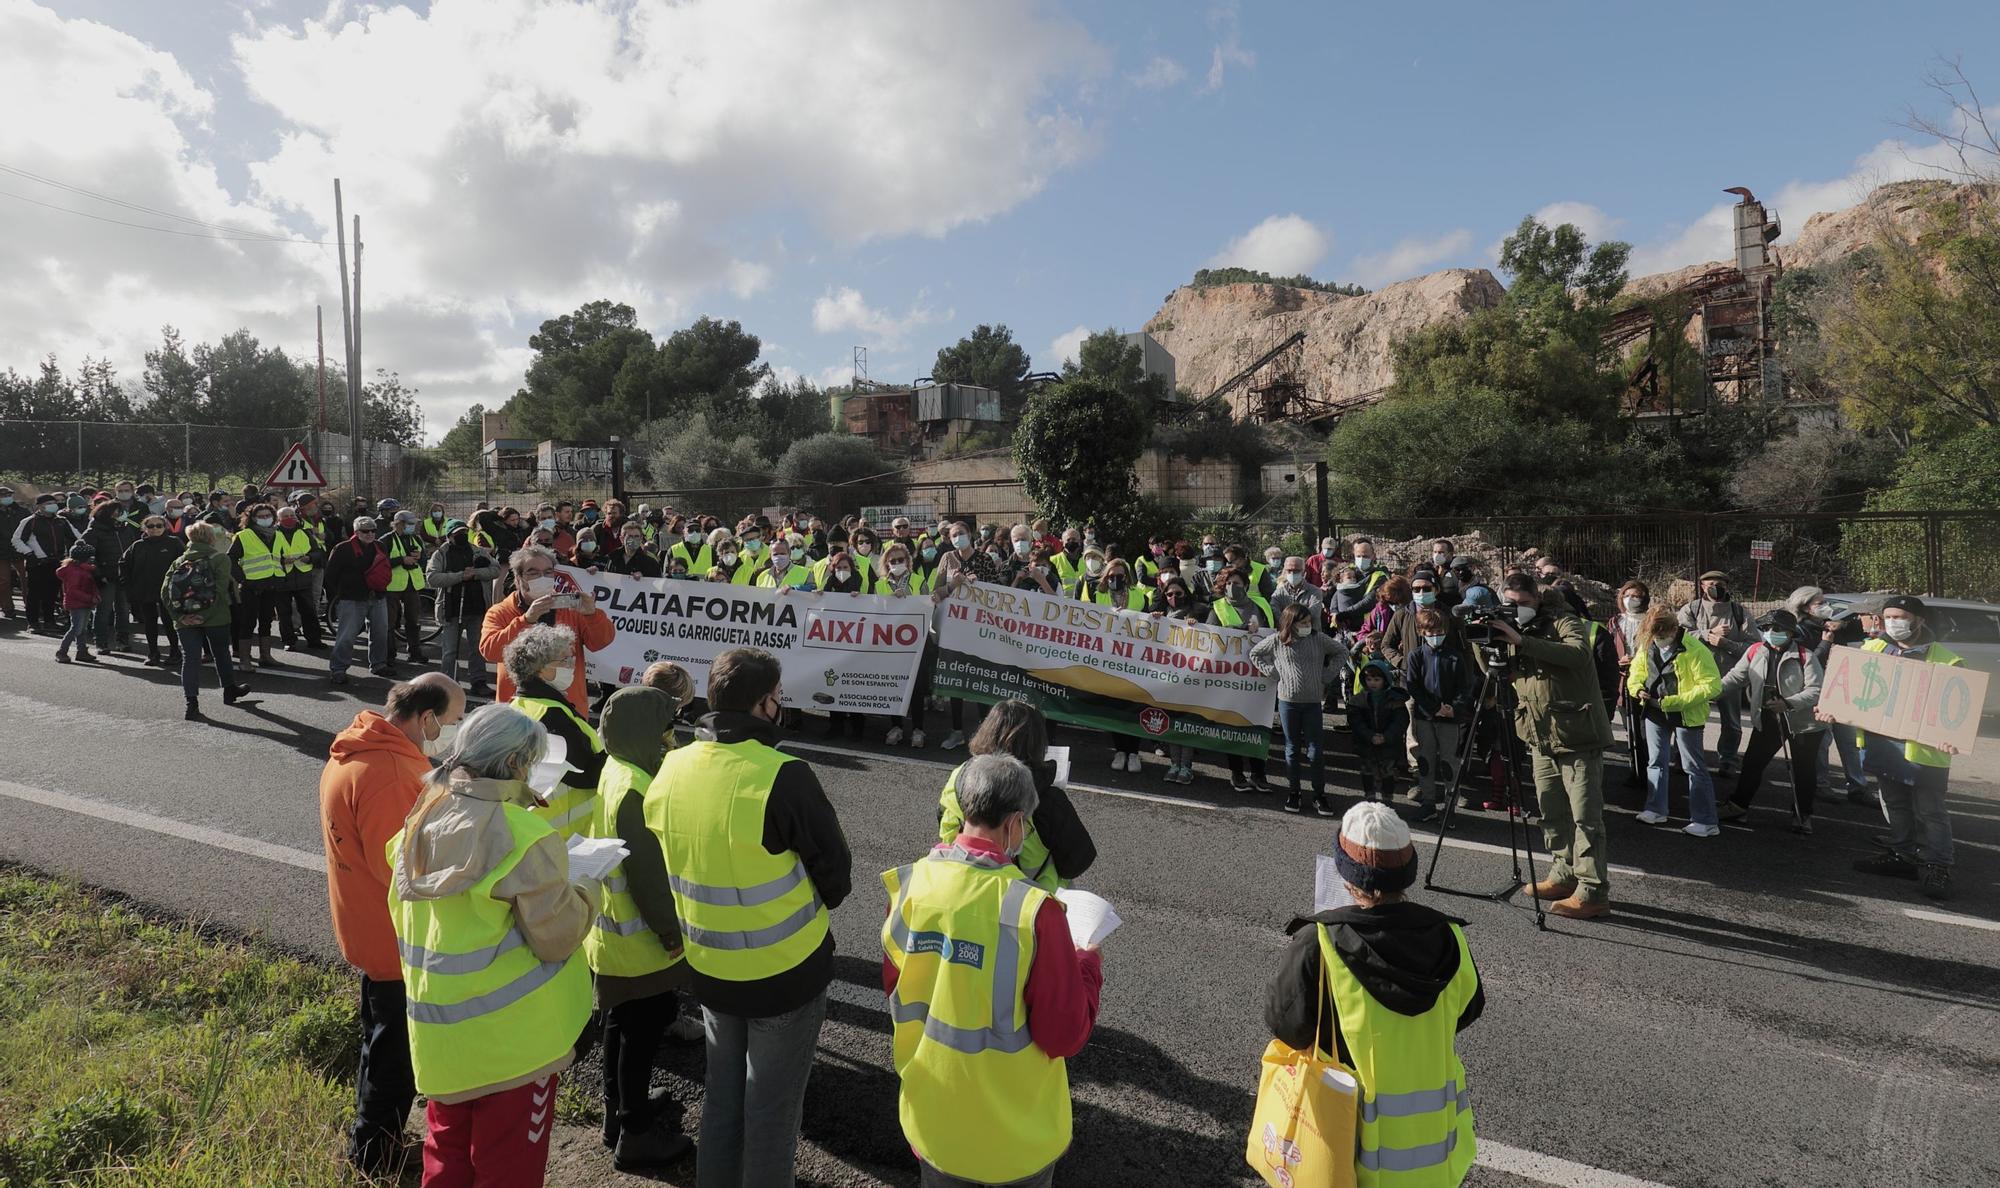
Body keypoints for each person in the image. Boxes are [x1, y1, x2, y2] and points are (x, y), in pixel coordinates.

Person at [645, 647, 852, 1188]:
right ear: (766, 705)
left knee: (723, 1098)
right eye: (778, 698)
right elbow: (836, 873)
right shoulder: (783, 774)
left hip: (710, 967)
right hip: (786, 972)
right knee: (771, 1111)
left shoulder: (671, 767)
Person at [387, 703, 597, 1188]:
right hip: (515, 1045)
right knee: (509, 1171)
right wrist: (588, 890)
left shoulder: (415, 827)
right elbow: (558, 936)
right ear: (517, 765)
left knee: (445, 1159)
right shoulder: (524, 836)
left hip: (439, 1035)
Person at [883, 753, 1103, 1188]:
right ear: (1015, 823)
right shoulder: (1035, 911)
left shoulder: (910, 885)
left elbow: (897, 985)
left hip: (935, 1119)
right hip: (1015, 1137)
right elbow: (1064, 1034)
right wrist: (1088, 962)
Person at [1264, 802, 1482, 1187]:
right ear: (1408, 874)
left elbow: (1287, 1026)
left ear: (1346, 876)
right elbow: (1466, 1009)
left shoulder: (1319, 943)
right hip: (1435, 1154)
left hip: (1347, 1146)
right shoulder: (1452, 938)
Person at [320, 674, 466, 1176]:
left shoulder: (363, 744)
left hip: (366, 923)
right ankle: (373, 1156)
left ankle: (372, 1139)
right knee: (393, 1055)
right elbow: (403, 869)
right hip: (392, 936)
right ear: (425, 719)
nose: (454, 731)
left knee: (379, 1037)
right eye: (451, 722)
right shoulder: (389, 772)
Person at [585, 685, 697, 1170]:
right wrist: (671, 933)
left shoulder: (616, 769)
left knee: (621, 1027)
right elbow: (649, 875)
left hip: (611, 937)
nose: (670, 739)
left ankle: (620, 1114)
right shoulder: (637, 787)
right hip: (641, 943)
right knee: (642, 1033)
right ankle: (636, 1133)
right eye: (665, 730)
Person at [1479, 574, 1614, 919]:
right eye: (1510, 604)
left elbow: (1578, 655)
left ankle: (1592, 890)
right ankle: (1563, 873)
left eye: (1523, 604)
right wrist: (1484, 641)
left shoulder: (1563, 621)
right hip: (1539, 736)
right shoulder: (1511, 629)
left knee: (1585, 817)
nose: (1517, 610)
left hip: (1576, 735)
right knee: (1552, 813)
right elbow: (1499, 675)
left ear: (1537, 599)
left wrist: (1522, 641)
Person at [1844, 595, 1965, 900]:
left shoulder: (1946, 659)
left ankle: (1938, 866)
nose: (1893, 623)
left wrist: (1956, 734)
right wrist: (1833, 708)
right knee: (1893, 804)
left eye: (1900, 616)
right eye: (1888, 617)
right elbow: (1850, 690)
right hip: (1883, 744)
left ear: (1919, 620)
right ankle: (1903, 856)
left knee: (1931, 811)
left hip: (1926, 752)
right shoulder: (1871, 650)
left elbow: (1959, 708)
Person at [936, 700, 1097, 892]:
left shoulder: (959, 776)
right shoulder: (1047, 799)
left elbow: (942, 818)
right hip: (1031, 903)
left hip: (961, 886)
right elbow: (1076, 863)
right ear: (1036, 743)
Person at [1716, 609, 1824, 833]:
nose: (1771, 632)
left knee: (1804, 769)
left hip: (1803, 723)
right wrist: (1709, 692)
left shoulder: (1806, 656)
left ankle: (1803, 814)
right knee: (1752, 763)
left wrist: (1789, 702)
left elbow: (1816, 690)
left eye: (1777, 629)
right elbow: (1736, 677)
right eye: (1766, 628)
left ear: (1790, 633)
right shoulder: (1755, 650)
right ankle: (1738, 807)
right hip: (1768, 717)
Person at [480, 544, 614, 715]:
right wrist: (526, 620)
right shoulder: (500, 611)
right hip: (517, 712)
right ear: (518, 578)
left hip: (568, 707)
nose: (542, 577)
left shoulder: (571, 607)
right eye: (533, 572)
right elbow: (490, 651)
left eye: (548, 572)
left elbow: (601, 642)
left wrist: (592, 615)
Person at [1626, 606, 1724, 838]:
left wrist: (1673, 702)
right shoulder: (1648, 644)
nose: (1658, 640)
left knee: (1694, 767)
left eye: (1661, 635)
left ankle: (1706, 820)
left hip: (1685, 715)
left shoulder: (1696, 649)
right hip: (1653, 712)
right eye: (1654, 636)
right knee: (1655, 761)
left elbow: (1712, 686)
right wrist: (1638, 689)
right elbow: (1636, 672)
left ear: (1673, 629)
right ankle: (1655, 809)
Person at [506, 624, 608, 840]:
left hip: (538, 825)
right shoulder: (551, 715)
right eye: (564, 660)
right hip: (565, 832)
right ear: (540, 668)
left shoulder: (519, 705)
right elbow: (584, 773)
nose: (571, 666)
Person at [1251, 604, 1348, 815]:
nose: (1306, 626)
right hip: (1288, 702)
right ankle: (1294, 792)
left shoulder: (1318, 639)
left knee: (1315, 752)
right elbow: (1255, 653)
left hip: (1312, 703)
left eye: (1308, 622)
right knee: (1292, 750)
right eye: (1302, 622)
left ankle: (1319, 795)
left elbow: (1342, 651)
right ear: (1290, 622)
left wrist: (1327, 674)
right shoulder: (1278, 640)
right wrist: (1272, 672)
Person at [1404, 606, 1476, 824]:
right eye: (1430, 632)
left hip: (1450, 719)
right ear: (1421, 632)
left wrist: (1453, 708)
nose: (1435, 636)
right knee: (1425, 760)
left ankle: (1449, 806)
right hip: (1425, 717)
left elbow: (1465, 687)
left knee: (1449, 762)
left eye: (1439, 632)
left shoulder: (1455, 657)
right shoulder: (1416, 656)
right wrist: (1434, 707)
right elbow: (1414, 686)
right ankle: (1428, 803)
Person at [1678, 570, 1752, 777]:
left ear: (1727, 587)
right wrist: (1706, 635)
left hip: (1729, 675)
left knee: (1732, 723)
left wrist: (1727, 644)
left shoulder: (1740, 612)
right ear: (1702, 586)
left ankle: (1728, 759)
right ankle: (1683, 757)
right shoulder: (1691, 609)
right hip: (1695, 674)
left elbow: (1754, 646)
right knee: (1689, 719)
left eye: (1720, 584)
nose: (1715, 587)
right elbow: (1678, 635)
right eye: (1710, 583)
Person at [428, 520, 499, 698]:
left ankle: (479, 682)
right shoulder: (440, 554)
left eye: (464, 532)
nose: (462, 536)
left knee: (477, 648)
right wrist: (460, 576)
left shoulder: (478, 551)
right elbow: (433, 578)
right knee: (450, 650)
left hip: (477, 608)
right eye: (457, 533)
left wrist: (475, 573)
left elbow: (495, 570)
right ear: (449, 535)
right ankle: (448, 685)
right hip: (451, 609)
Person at [325, 515, 393, 685]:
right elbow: (330, 575)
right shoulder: (342, 548)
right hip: (351, 599)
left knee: (380, 632)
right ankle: (338, 669)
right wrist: (340, 596)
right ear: (356, 532)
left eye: (373, 530)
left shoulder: (380, 546)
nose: (370, 533)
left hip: (377, 596)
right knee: (346, 636)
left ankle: (378, 664)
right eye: (365, 530)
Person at [121, 514, 185, 669]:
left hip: (169, 591)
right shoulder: (137, 545)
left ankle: (175, 652)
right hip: (145, 591)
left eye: (159, 526)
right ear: (144, 528)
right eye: (150, 526)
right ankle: (153, 653)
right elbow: (124, 565)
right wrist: (129, 586)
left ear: (165, 527)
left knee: (169, 623)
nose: (155, 529)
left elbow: (185, 564)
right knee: (150, 623)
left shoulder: (174, 543)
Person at [1609, 580, 1652, 789]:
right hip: (1622, 680)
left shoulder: (1651, 621)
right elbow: (1608, 649)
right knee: (1630, 729)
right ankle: (1634, 768)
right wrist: (1618, 662)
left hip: (1646, 680)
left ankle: (1649, 771)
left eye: (1636, 596)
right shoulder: (1615, 622)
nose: (1631, 600)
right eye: (1627, 595)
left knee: (1646, 730)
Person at [1347, 659, 1409, 802]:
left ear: (1385, 679)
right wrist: (1370, 736)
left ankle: (1388, 799)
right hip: (1366, 743)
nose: (1372, 683)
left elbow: (1400, 722)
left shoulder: (1395, 699)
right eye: (1368, 679)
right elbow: (1356, 722)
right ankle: (1369, 797)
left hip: (1389, 744)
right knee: (1367, 770)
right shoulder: (1358, 700)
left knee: (1388, 772)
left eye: (1376, 679)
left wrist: (1386, 737)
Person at [82, 498, 136, 653]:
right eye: (116, 512)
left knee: (124, 610)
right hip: (106, 577)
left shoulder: (126, 530)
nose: (120, 515)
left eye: (121, 512)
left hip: (123, 577)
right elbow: (88, 556)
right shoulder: (93, 531)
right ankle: (101, 641)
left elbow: (132, 552)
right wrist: (99, 575)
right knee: (103, 610)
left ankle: (123, 640)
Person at [382, 509, 429, 666]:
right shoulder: (386, 540)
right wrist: (401, 560)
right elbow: (381, 563)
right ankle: (389, 656)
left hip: (412, 585)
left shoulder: (415, 539)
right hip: (392, 587)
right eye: (409, 524)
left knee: (413, 621)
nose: (413, 527)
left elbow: (424, 560)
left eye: (413, 524)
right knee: (389, 622)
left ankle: (415, 653)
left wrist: (419, 558)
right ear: (398, 524)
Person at [53, 542, 100, 664]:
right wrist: (91, 598)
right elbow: (73, 591)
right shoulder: (75, 572)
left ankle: (82, 651)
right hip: (76, 604)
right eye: (90, 557)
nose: (92, 560)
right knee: (76, 628)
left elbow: (91, 586)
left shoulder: (84, 570)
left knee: (82, 628)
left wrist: (95, 596)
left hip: (84, 603)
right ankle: (62, 651)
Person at [0, 484, 24, 622]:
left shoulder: (21, 511)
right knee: (4, 581)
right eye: (3, 495)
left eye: (9, 495)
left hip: (20, 551)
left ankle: (32, 608)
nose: (7, 498)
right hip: (1, 552)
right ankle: (8, 608)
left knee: (26, 580)